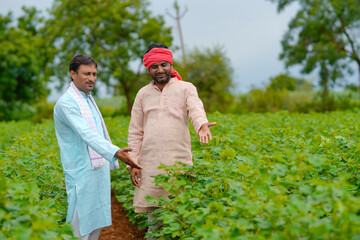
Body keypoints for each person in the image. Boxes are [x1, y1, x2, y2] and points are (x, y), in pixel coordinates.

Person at [128, 43, 216, 238]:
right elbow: (135, 131)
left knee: (180, 220)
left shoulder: (186, 88)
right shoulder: (142, 94)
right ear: (148, 69)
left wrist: (201, 124)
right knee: (155, 224)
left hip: (179, 162)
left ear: (170, 64)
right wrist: (133, 162)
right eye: (154, 66)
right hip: (150, 165)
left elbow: (195, 108)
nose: (160, 70)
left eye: (163, 65)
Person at [53, 55, 142, 240]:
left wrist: (112, 152)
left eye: (94, 74)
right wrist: (115, 152)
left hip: (98, 169)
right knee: (79, 226)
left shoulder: (87, 99)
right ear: (72, 74)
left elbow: (99, 133)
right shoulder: (67, 103)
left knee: (95, 223)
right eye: (86, 73)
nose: (92, 78)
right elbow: (87, 134)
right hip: (80, 171)